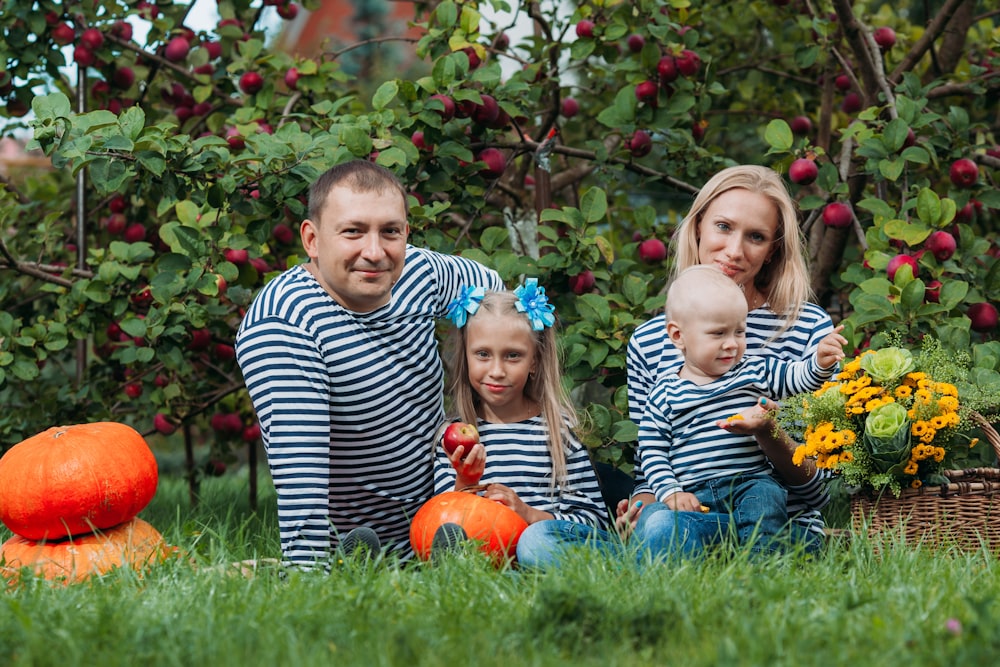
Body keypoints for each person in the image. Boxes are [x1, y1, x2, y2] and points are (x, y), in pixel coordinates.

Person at [235, 159, 503, 570]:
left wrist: (474, 385)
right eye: (353, 232)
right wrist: (310, 574)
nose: (375, 252)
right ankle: (360, 561)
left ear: (406, 235)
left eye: (390, 232)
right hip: (353, 538)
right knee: (361, 555)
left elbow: (497, 298)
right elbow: (300, 475)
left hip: (445, 514)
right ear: (312, 239)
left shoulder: (420, 273)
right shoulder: (285, 323)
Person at [624, 164, 839, 558]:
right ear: (698, 226)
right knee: (654, 526)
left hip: (779, 522)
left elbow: (822, 490)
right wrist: (643, 502)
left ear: (773, 248)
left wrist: (768, 432)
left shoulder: (807, 329)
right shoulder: (650, 341)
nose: (735, 251)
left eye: (755, 237)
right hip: (692, 516)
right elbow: (652, 455)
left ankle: (764, 561)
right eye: (723, 227)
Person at [637, 264, 846, 553]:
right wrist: (671, 491)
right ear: (678, 336)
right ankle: (766, 546)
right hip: (693, 494)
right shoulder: (664, 394)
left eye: (739, 331)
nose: (732, 345)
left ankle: (761, 564)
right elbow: (652, 450)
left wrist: (819, 363)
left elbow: (796, 378)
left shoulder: (752, 371)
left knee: (767, 494)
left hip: (749, 484)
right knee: (658, 519)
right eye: (718, 333)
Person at [432, 281, 610, 555]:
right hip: (481, 558)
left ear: (535, 362)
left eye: (513, 356)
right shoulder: (453, 438)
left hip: (541, 555)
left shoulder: (559, 433)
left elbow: (593, 524)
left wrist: (528, 515)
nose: (497, 370)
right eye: (482, 354)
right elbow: (441, 521)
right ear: (466, 358)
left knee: (533, 543)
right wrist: (465, 482)